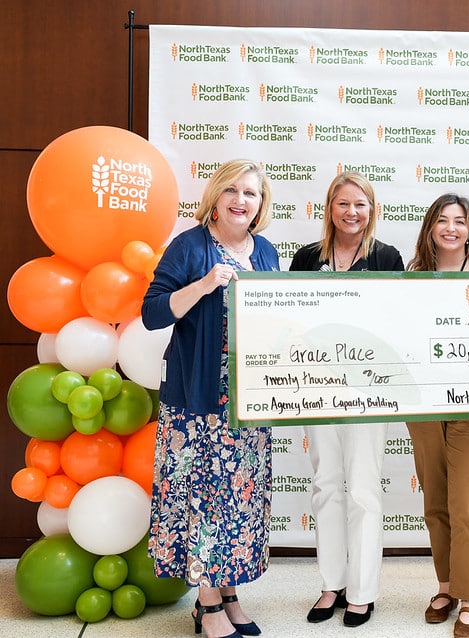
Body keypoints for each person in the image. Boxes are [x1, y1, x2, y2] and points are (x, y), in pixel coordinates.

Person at [142, 159, 280, 638]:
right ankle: (206, 602)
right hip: (198, 400)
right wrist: (203, 286)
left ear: (261, 204)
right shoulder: (190, 245)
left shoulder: (266, 252)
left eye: (251, 193)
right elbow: (152, 313)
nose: (241, 200)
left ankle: (230, 594)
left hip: (248, 403)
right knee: (202, 497)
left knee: (238, 500)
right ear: (216, 197)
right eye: (232, 190)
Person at [289, 171, 404, 628]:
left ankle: (362, 592)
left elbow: (397, 323)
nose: (351, 212)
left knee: (363, 489)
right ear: (329, 208)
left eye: (360, 204)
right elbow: (291, 319)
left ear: (372, 210)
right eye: (343, 203)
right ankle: (331, 584)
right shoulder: (306, 258)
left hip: (368, 390)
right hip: (317, 387)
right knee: (325, 485)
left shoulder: (386, 257)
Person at [405, 193, 469, 638]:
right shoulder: (411, 278)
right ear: (430, 228)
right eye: (442, 220)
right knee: (436, 501)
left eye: (459, 221)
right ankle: (445, 587)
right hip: (424, 404)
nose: (450, 228)